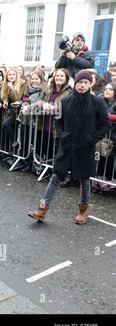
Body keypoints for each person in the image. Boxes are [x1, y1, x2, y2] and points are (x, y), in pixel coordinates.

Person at [28, 69, 111, 224]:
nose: (82, 85)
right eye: (80, 82)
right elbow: (58, 120)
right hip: (66, 146)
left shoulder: (97, 102)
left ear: (90, 84)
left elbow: (106, 125)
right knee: (55, 176)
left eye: (86, 82)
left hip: (85, 148)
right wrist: (62, 134)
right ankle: (42, 209)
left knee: (84, 179)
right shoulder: (65, 101)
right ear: (76, 83)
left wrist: (92, 139)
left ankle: (83, 211)